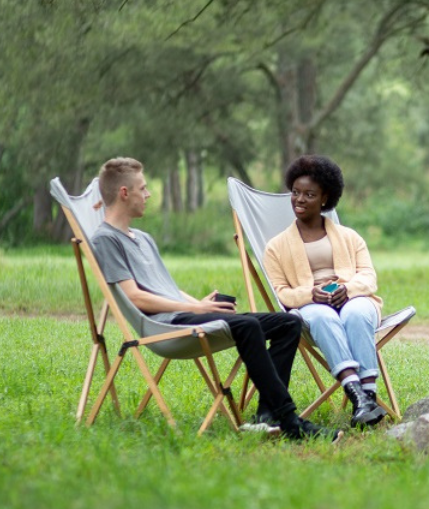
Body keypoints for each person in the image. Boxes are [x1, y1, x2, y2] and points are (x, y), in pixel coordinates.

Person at [89, 157, 340, 442]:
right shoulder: (105, 240)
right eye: (143, 189)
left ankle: (266, 415)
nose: (147, 195)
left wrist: (200, 302)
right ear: (124, 193)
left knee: (287, 323)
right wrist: (196, 308)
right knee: (247, 326)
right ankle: (291, 421)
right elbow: (135, 297)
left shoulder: (142, 237)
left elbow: (163, 288)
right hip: (166, 327)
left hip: (185, 313)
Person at [263, 155, 387, 428]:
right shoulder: (275, 247)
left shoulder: (350, 237)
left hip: (353, 298)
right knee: (321, 316)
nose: (299, 199)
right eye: (295, 192)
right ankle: (359, 397)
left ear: (324, 198)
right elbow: (282, 293)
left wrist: (348, 288)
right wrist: (310, 293)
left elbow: (368, 277)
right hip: (312, 305)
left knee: (355, 312)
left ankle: (368, 394)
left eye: (309, 194)